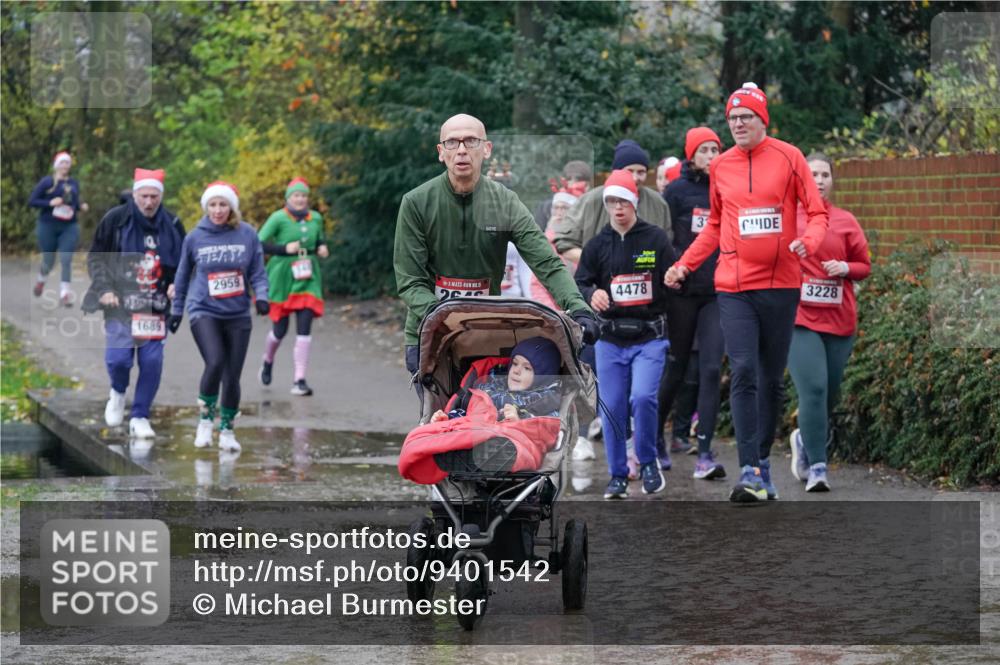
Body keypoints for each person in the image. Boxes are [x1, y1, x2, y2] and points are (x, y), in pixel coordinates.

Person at [665, 82, 829, 503]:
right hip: (734, 285)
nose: (738, 124)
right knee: (742, 371)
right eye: (733, 118)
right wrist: (685, 263)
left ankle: (764, 463)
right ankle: (750, 470)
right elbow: (717, 226)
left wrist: (808, 243)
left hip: (781, 284)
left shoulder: (789, 157)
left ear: (762, 120)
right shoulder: (721, 166)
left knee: (771, 380)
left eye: (746, 117)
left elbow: (816, 212)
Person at [393, 113, 597, 403]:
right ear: (441, 152)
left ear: (486, 149)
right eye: (452, 142)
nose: (462, 149)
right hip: (430, 335)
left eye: (471, 141)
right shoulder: (416, 203)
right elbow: (410, 281)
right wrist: (446, 314)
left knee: (486, 418)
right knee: (440, 421)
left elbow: (546, 261)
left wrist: (578, 308)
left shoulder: (504, 202)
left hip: (484, 332)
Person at [575, 170, 675, 499]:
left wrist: (676, 278)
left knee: (643, 397)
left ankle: (647, 462)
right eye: (612, 202)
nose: (618, 208)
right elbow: (580, 281)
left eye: (624, 201)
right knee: (613, 407)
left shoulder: (656, 239)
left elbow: (673, 281)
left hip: (649, 337)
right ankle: (618, 475)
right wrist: (592, 294)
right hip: (611, 340)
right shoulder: (597, 245)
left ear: (635, 202)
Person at [788, 153, 871, 492]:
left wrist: (845, 268)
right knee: (815, 388)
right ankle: (819, 468)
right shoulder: (787, 218)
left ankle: (805, 441)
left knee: (829, 395)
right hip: (799, 318)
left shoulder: (846, 221)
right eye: (813, 174)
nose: (819, 180)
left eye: (824, 174)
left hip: (839, 318)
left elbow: (864, 265)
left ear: (832, 180)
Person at [82, 168, 185, 439]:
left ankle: (140, 415)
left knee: (151, 361)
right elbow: (96, 257)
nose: (149, 202)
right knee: (119, 360)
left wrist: (178, 284)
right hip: (120, 302)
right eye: (144, 196)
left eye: (154, 197)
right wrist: (103, 289)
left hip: (155, 306)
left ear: (160, 196)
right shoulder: (115, 220)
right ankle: (117, 392)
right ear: (135, 194)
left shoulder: (173, 224)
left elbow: (186, 263)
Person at [169, 182, 269, 452]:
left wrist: (261, 296)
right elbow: (182, 275)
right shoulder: (195, 237)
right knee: (214, 361)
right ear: (206, 207)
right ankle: (204, 420)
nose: (218, 210)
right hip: (204, 309)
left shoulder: (247, 234)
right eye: (212, 205)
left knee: (232, 376)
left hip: (237, 313)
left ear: (232, 207)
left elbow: (258, 271)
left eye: (223, 204)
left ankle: (226, 429)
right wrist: (177, 310)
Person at [657, 127, 727, 481]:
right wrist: (674, 268)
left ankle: (705, 449)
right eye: (704, 150)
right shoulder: (677, 192)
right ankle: (656, 436)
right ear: (691, 154)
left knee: (711, 369)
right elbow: (663, 236)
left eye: (716, 149)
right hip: (682, 291)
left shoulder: (727, 186)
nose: (711, 156)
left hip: (717, 291)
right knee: (677, 365)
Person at [257, 177, 329, 396]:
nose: (300, 199)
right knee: (280, 330)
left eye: (304, 196)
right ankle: (268, 360)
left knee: (304, 327)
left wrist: (322, 247)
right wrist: (284, 248)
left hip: (308, 276)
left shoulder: (316, 217)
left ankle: (299, 379)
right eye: (296, 196)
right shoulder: (278, 218)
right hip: (282, 277)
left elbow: (319, 239)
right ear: (288, 198)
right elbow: (258, 243)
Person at [554, 139, 671, 265]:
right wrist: (598, 263)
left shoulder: (658, 203)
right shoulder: (590, 201)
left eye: (641, 172)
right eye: (629, 171)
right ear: (616, 171)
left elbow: (666, 245)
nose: (635, 178)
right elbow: (564, 242)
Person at [431, 336, 562, 422]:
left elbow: (547, 428)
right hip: (471, 434)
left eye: (527, 368)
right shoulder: (488, 387)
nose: (516, 371)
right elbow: (468, 413)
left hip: (508, 445)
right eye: (515, 364)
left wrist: (520, 420)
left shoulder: (546, 401)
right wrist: (448, 419)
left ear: (542, 378)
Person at [29, 151, 89, 306]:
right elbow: (32, 201)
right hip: (47, 225)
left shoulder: (73, 183)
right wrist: (49, 203)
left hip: (69, 226)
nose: (65, 166)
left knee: (66, 259)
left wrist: (81, 206)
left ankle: (65, 294)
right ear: (56, 165)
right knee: (48, 260)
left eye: (67, 163)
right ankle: (41, 281)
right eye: (62, 162)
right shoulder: (47, 182)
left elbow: (73, 203)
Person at [532, 160, 593, 231]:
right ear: (564, 182)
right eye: (572, 181)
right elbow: (538, 234)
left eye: (583, 183)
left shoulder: (591, 206)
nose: (578, 186)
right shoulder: (547, 207)